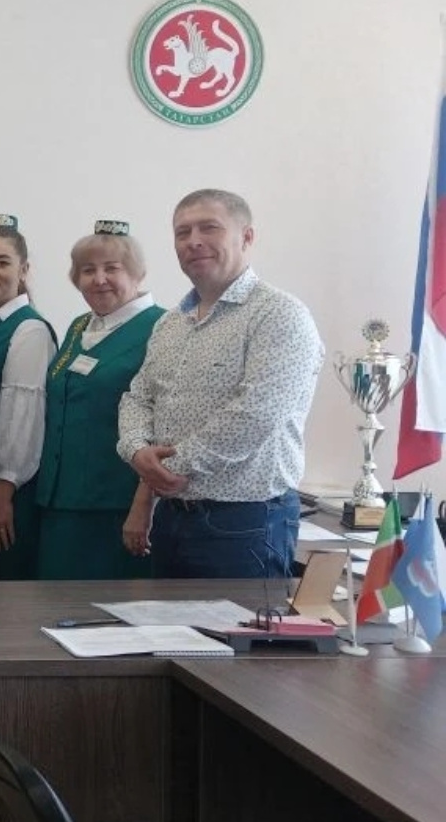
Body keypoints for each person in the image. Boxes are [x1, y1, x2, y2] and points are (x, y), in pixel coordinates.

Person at [117, 189, 323, 579]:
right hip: (171, 518)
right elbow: (138, 397)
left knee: (239, 623)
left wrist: (166, 468)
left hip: (243, 523)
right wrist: (136, 450)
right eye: (182, 232)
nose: (193, 241)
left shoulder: (280, 315)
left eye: (209, 228)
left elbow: (256, 414)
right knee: (164, 622)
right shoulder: (170, 323)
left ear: (246, 237)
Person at [36, 221, 163, 580]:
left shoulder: (162, 327)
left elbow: (165, 423)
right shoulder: (80, 326)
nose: (99, 279)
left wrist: (144, 503)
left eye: (112, 268)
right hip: (61, 502)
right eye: (88, 270)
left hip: (118, 506)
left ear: (137, 273)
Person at [0, 215, 57, 580]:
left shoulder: (29, 330)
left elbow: (23, 417)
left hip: (6, 490)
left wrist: (2, 491)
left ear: (23, 270)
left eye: (2, 262)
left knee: (4, 589)